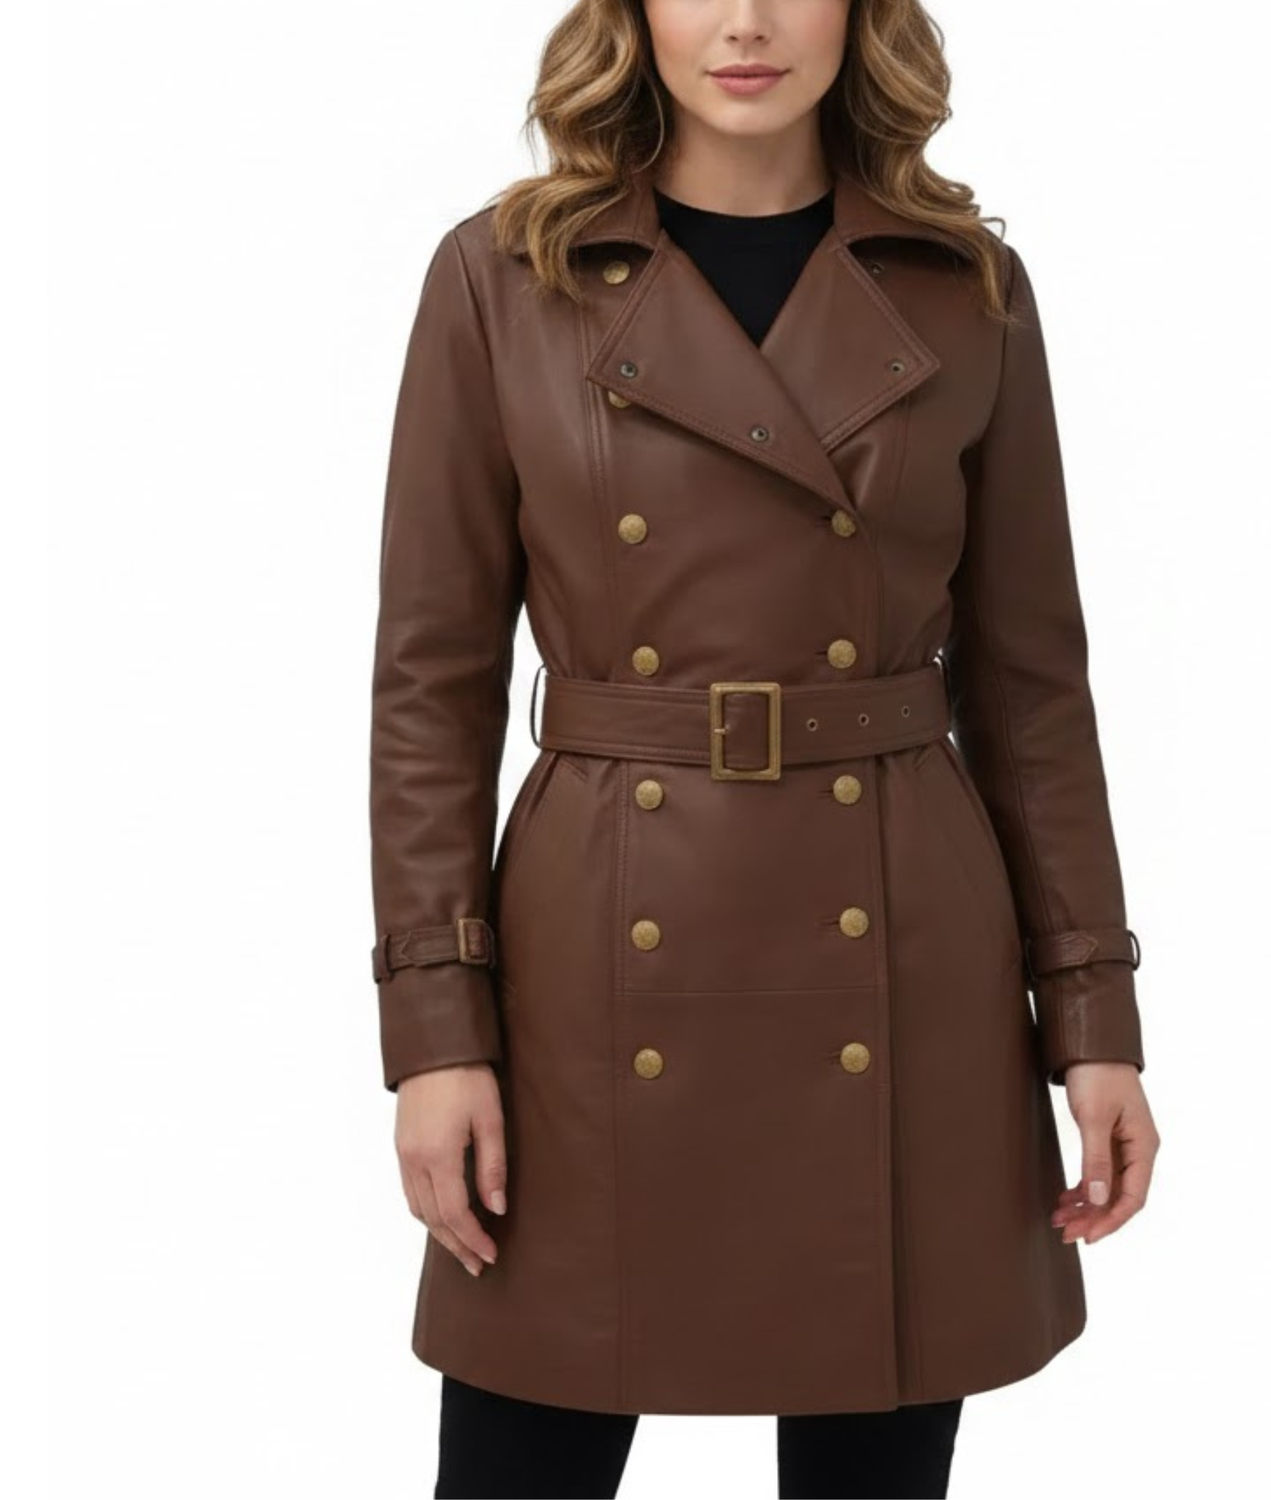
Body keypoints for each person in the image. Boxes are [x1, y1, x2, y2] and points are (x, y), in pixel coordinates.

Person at [367, 2, 1161, 1496]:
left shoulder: (967, 288)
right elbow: (432, 686)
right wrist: (436, 1032)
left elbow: (1032, 689)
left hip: (898, 950)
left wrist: (1093, 1015)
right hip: (591, 959)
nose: (745, 22)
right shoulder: (504, 275)